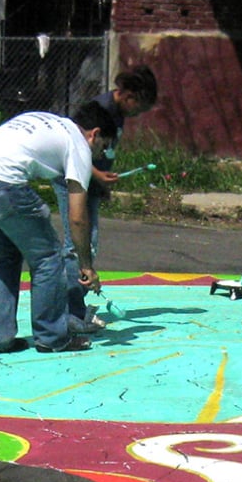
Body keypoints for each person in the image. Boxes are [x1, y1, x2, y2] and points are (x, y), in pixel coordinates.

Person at [0, 101, 108, 354]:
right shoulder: (79, 144)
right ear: (95, 134)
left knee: (2, 259)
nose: (100, 155)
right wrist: (86, 265)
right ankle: (52, 337)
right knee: (48, 258)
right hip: (4, 184)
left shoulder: (44, 119)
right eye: (102, 147)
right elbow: (78, 217)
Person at [70, 65, 159, 331]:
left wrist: (102, 181)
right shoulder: (102, 108)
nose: (138, 113)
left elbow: (102, 153)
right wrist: (96, 174)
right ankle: (72, 311)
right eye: (139, 107)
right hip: (78, 181)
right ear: (130, 95)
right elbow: (75, 147)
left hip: (92, 184)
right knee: (78, 244)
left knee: (89, 243)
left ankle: (76, 307)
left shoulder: (118, 114)